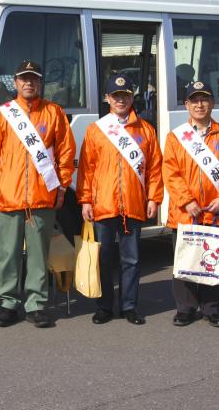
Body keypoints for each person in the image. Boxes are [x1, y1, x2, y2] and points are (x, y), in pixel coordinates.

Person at [0, 59, 76, 328]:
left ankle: (36, 304)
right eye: (24, 78)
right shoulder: (3, 114)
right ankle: (8, 304)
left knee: (38, 255)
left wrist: (62, 187)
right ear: (16, 81)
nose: (29, 82)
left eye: (33, 78)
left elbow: (67, 154)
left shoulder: (54, 113)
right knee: (8, 254)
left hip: (41, 196)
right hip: (9, 196)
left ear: (40, 82)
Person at [76, 74, 163, 325]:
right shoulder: (96, 130)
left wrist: (154, 197)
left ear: (132, 97)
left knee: (132, 260)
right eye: (116, 96)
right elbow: (86, 169)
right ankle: (104, 307)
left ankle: (129, 306)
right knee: (103, 259)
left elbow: (155, 168)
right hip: (103, 204)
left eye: (125, 95)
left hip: (134, 204)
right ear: (107, 98)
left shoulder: (146, 130)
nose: (121, 100)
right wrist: (85, 201)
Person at [162, 81, 219, 328]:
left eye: (204, 99)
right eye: (194, 100)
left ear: (212, 103)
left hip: (216, 211)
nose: (199, 104)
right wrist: (186, 201)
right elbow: (170, 171)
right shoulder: (176, 138)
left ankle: (211, 308)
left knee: (212, 260)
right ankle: (185, 309)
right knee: (184, 261)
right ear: (186, 105)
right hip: (186, 212)